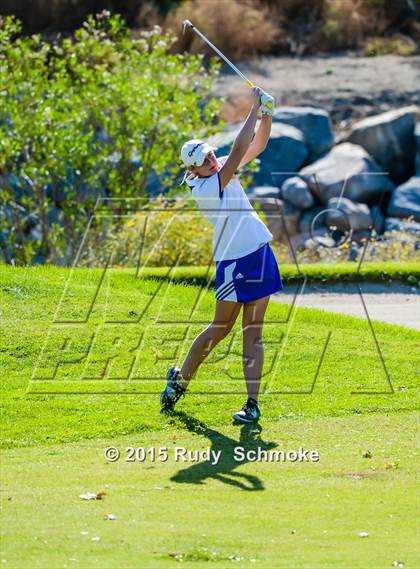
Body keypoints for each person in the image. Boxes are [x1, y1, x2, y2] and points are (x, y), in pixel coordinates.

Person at [160, 86, 283, 423]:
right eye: (203, 161)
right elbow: (243, 143)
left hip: (258, 251)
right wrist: (254, 108)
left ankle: (252, 404)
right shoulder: (207, 187)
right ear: (192, 171)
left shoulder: (219, 170)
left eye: (210, 155)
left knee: (253, 330)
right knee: (220, 327)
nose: (211, 160)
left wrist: (267, 115)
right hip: (232, 263)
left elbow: (256, 144)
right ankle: (180, 381)